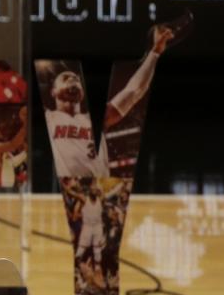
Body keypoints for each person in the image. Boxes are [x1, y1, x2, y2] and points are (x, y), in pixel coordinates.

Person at [41, 23, 174, 179]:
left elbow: (134, 91)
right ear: (53, 91)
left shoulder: (97, 119)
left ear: (83, 93)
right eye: (66, 78)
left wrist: (155, 53)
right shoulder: (49, 117)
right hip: (70, 194)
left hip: (99, 194)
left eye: (76, 79)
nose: (72, 80)